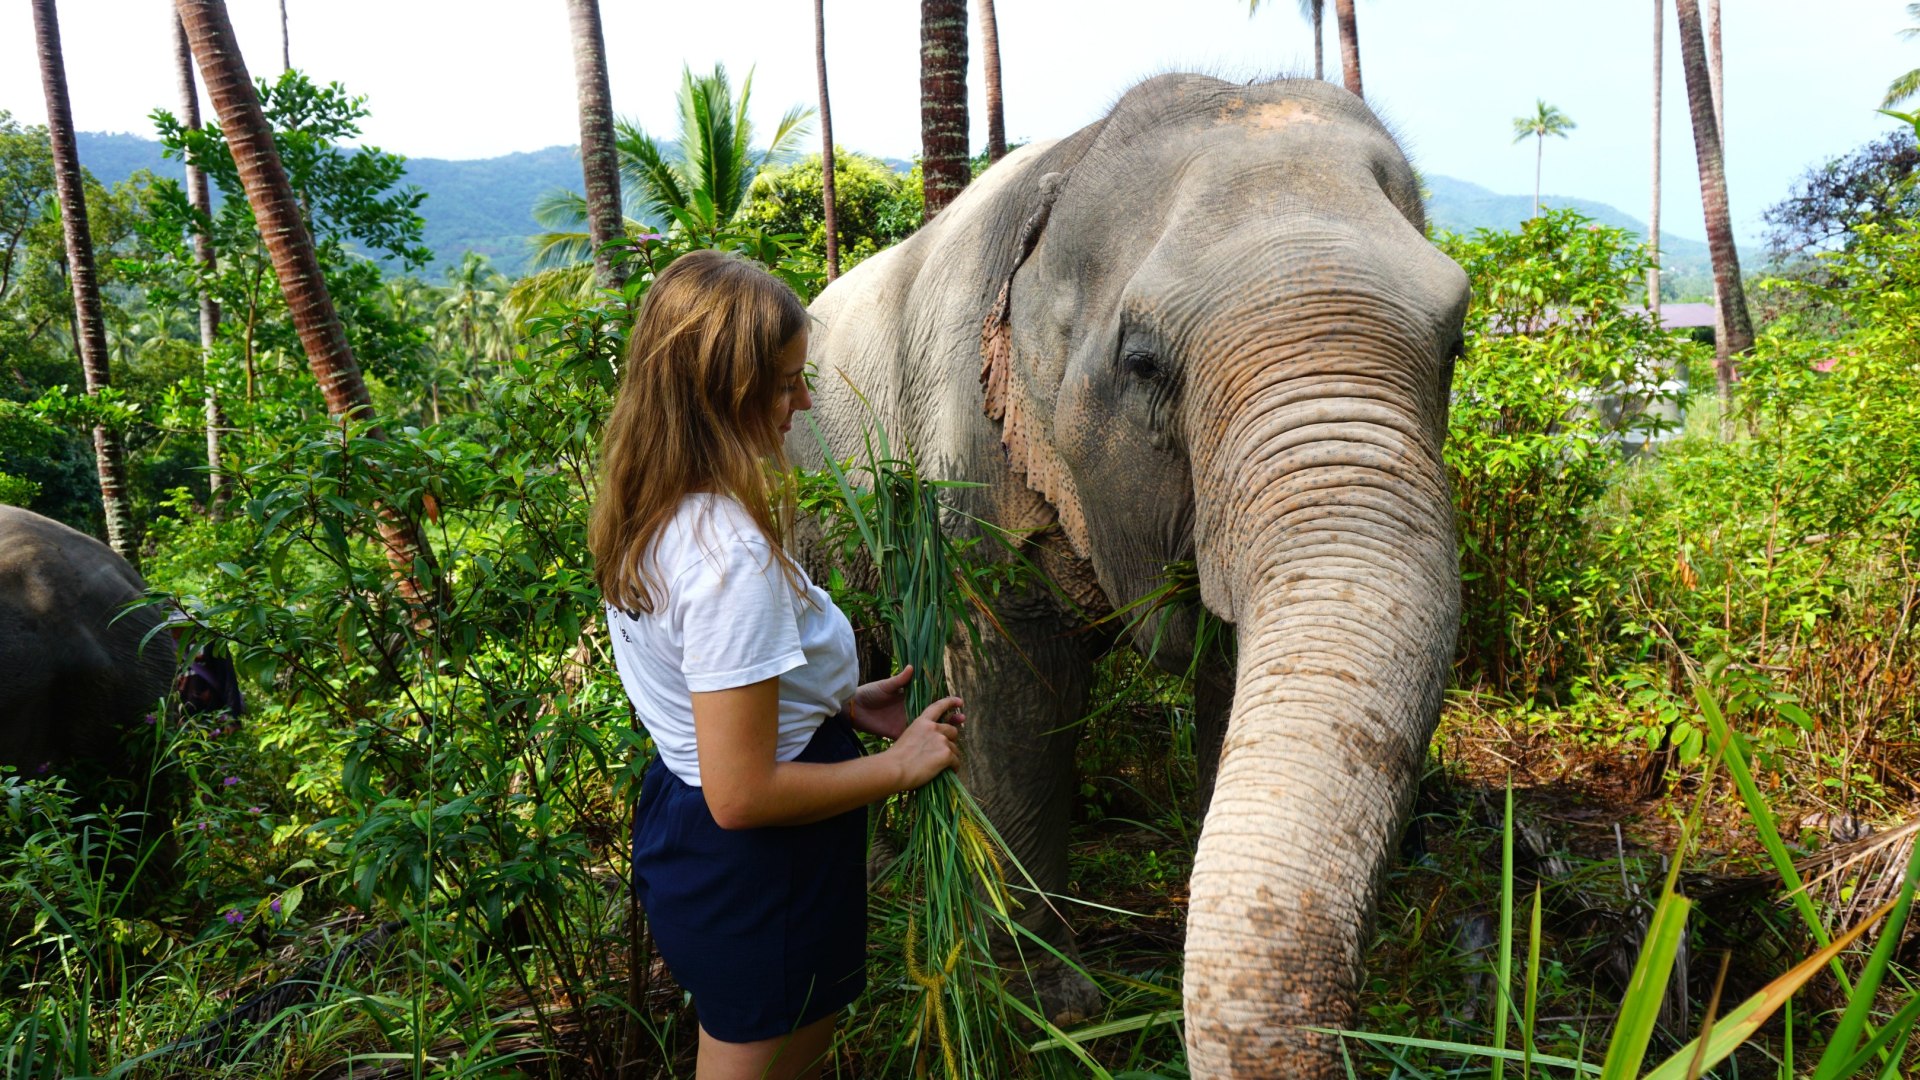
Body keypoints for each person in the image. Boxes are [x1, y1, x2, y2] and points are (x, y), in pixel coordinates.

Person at [589, 249, 965, 1080]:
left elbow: (705, 688)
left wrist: (837, 700)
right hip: (761, 870)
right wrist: (900, 768)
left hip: (695, 839)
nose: (804, 400)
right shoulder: (727, 556)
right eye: (789, 381)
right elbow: (744, 793)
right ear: (725, 390)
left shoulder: (659, 505)